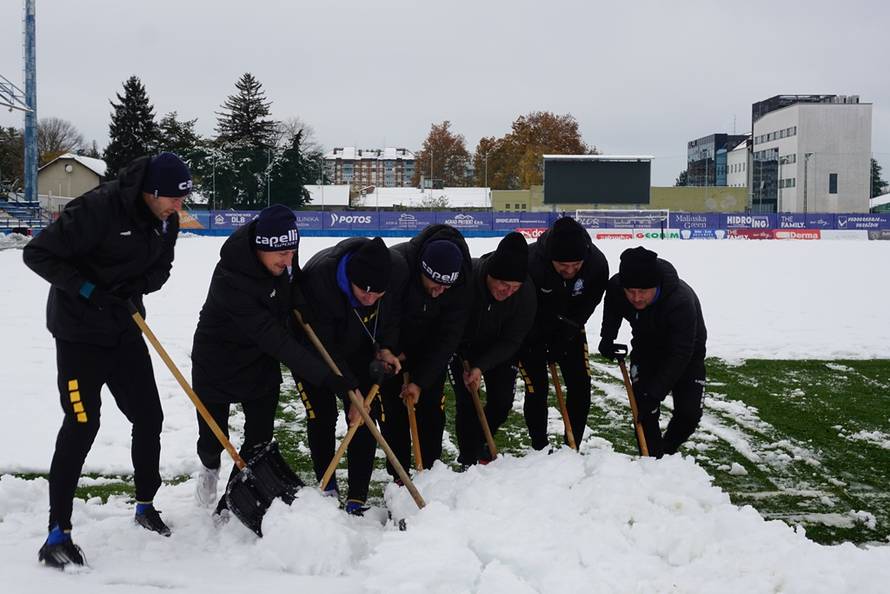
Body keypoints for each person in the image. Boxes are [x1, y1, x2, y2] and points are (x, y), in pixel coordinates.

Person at [23, 152, 190, 568]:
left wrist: (134, 287)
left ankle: (145, 504)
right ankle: (57, 530)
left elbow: (162, 268)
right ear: (150, 193)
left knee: (148, 416)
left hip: (124, 328)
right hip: (79, 333)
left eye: (182, 199)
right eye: (173, 199)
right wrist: (90, 293)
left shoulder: (165, 219)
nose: (179, 208)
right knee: (82, 422)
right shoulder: (98, 208)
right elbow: (37, 254)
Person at [190, 204, 342, 513]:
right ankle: (208, 468)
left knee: (259, 436)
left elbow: (291, 283)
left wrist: (300, 306)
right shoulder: (231, 278)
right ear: (261, 247)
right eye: (282, 254)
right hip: (217, 358)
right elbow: (275, 339)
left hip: (258, 360)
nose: (288, 260)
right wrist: (326, 376)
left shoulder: (283, 255)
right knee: (212, 438)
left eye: (292, 252)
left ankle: (231, 502)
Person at [294, 236, 405, 515]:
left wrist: (387, 349)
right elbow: (325, 347)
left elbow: (391, 318)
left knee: (364, 416)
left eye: (376, 294)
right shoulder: (320, 281)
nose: (369, 299)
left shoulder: (394, 274)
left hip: (359, 350)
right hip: (313, 351)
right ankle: (328, 486)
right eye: (363, 291)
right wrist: (349, 389)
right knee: (322, 415)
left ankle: (357, 497)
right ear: (351, 277)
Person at [381, 224, 473, 475]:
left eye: (446, 288)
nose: (439, 292)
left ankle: (431, 471)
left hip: (430, 350)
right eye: (435, 284)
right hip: (395, 351)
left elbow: (448, 338)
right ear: (422, 269)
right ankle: (398, 474)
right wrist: (392, 350)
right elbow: (387, 316)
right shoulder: (399, 266)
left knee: (431, 410)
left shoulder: (463, 282)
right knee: (394, 412)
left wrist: (420, 382)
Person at [598, 246, 707, 458]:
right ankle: (651, 461)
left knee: (689, 415)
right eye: (630, 291)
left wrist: (655, 393)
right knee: (644, 412)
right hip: (646, 350)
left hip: (687, 353)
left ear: (655, 286)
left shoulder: (680, 301)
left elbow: (681, 353)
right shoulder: (616, 287)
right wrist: (607, 338)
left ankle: (666, 453)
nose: (636, 298)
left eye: (642, 292)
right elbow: (612, 306)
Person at [518, 216, 609, 451]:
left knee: (581, 385)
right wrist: (538, 338)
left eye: (575, 266)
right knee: (536, 388)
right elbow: (522, 307)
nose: (569, 271)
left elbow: (588, 304)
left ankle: (572, 445)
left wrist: (565, 335)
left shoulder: (597, 264)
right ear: (550, 258)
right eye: (563, 266)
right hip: (531, 331)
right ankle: (540, 446)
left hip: (570, 328)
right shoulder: (530, 263)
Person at [450, 232, 536, 467]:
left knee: (502, 400)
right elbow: (450, 322)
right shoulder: (467, 280)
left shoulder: (526, 295)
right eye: (503, 285)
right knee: (467, 402)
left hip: (500, 349)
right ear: (490, 275)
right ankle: (468, 458)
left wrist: (481, 367)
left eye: (514, 287)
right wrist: (465, 359)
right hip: (462, 348)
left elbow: (512, 339)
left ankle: (478, 442)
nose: (507, 292)